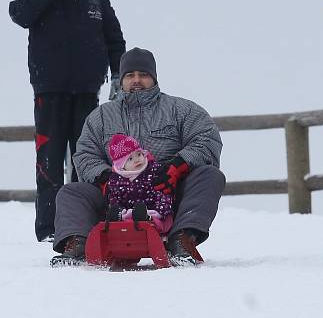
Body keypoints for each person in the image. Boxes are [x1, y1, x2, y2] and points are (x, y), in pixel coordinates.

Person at [50, 47, 225, 267]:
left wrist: (177, 166)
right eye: (130, 75)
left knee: (210, 175)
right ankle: (78, 243)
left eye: (143, 75)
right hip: (115, 200)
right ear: (121, 80)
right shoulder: (101, 116)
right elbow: (85, 153)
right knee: (71, 192)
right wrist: (106, 179)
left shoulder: (182, 110)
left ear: (154, 78)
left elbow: (207, 139)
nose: (137, 80)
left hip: (168, 195)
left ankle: (182, 239)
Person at [8, 0, 126, 242]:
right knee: (49, 161)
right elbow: (19, 15)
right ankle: (49, 229)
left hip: (88, 91)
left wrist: (118, 76)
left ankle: (83, 226)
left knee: (85, 160)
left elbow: (115, 40)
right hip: (49, 91)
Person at [104, 134, 173, 234]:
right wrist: (119, 211)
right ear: (121, 166)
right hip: (130, 214)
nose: (137, 160)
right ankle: (118, 224)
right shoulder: (116, 181)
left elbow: (163, 194)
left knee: (161, 222)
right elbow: (115, 199)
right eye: (130, 159)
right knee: (124, 222)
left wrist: (160, 211)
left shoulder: (154, 171)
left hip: (155, 212)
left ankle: (147, 219)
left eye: (139, 154)